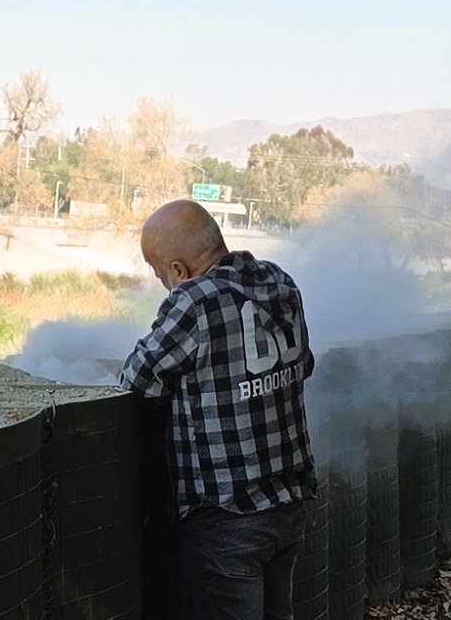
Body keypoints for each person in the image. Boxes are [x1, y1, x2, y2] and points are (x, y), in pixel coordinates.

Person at [121, 199, 316, 620]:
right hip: (288, 504)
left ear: (177, 270)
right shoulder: (278, 281)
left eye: (161, 276)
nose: (165, 285)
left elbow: (137, 377)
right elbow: (306, 364)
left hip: (228, 517)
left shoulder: (194, 299)